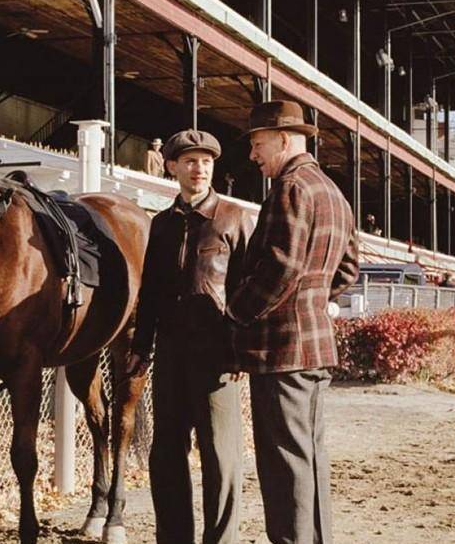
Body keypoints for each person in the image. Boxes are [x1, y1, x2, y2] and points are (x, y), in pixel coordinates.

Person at [227, 100, 359, 544]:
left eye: (258, 144)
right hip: (315, 347)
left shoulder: (289, 188)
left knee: (284, 462)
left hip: (282, 350)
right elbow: (347, 271)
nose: (252, 155)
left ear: (284, 140)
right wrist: (311, 300)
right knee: (308, 457)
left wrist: (237, 312)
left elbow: (280, 267)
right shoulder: (334, 193)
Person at [128, 129, 253, 544]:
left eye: (206, 162)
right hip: (169, 356)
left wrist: (239, 349)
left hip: (217, 357)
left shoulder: (234, 219)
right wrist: (141, 347)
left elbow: (247, 289)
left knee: (221, 456)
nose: (198, 169)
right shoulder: (161, 225)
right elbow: (149, 291)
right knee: (166, 456)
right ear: (172, 167)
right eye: (189, 162)